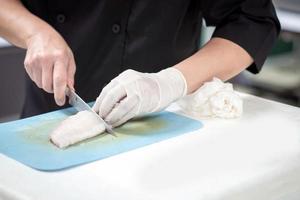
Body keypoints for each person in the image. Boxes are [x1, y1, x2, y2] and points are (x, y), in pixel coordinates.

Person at [0, 0, 280, 127]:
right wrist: (34, 32)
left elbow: (250, 19)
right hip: (49, 117)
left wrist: (170, 82)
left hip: (164, 121)